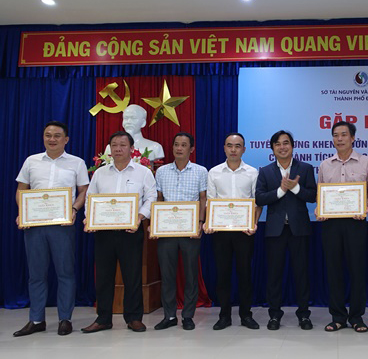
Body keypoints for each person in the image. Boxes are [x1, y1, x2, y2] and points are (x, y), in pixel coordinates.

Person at [13, 121, 89, 337]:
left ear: (66, 139)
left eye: (57, 135)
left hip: (62, 225)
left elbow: (84, 190)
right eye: (48, 135)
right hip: (35, 225)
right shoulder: (31, 161)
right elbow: (21, 189)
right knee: (36, 274)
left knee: (65, 272)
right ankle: (36, 320)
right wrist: (23, 212)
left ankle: (65, 319)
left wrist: (74, 209)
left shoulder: (77, 163)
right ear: (43, 137)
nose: (52, 139)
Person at [82, 131, 157, 333]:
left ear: (132, 149)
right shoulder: (100, 173)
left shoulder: (143, 172)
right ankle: (103, 318)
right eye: (114, 145)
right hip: (104, 232)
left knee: (132, 276)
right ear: (109, 149)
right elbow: (91, 198)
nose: (118, 149)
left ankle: (133, 318)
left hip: (131, 231)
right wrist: (89, 218)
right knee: (104, 277)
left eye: (123, 145)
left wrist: (139, 217)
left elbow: (151, 198)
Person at [316, 121, 368, 333]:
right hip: (331, 225)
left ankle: (357, 317)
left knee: (357, 269)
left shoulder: (366, 162)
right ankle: (338, 316)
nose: (339, 139)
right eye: (335, 135)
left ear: (353, 138)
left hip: (355, 223)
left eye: (344, 134)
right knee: (333, 270)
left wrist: (365, 205)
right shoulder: (325, 165)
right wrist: (320, 209)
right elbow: (321, 194)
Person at [256, 130, 317, 331]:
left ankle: (304, 315)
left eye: (286, 143)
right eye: (278, 144)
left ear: (292, 146)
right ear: (272, 148)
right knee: (274, 275)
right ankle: (274, 315)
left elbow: (313, 196)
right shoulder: (265, 171)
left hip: (299, 229)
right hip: (275, 230)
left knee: (302, 274)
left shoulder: (305, 168)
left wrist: (295, 188)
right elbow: (260, 198)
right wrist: (281, 191)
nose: (282, 147)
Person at [205, 133, 262, 331]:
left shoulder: (253, 173)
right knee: (223, 274)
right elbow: (210, 201)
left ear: (244, 149)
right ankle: (224, 316)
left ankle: (246, 315)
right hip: (220, 231)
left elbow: (257, 202)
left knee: (245, 274)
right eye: (229, 145)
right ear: (224, 148)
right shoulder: (214, 172)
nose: (233, 149)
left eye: (238, 146)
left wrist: (253, 223)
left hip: (244, 232)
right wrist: (209, 222)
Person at [151, 132, 207, 331]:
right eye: (176, 144)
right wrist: (155, 223)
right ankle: (169, 315)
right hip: (166, 231)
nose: (179, 148)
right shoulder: (162, 172)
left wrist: (200, 222)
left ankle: (188, 316)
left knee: (191, 274)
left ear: (191, 149)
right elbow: (158, 199)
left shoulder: (200, 171)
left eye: (184, 145)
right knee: (167, 274)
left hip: (190, 230)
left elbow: (203, 199)